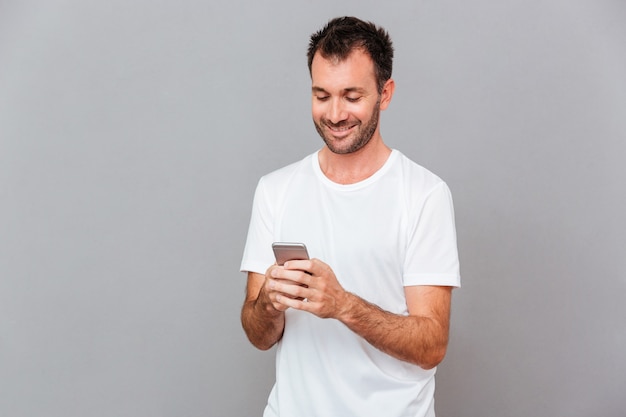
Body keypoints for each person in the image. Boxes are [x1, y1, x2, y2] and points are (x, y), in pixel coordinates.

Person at [240, 16, 460, 417]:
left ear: (385, 93)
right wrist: (268, 305)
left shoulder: (424, 196)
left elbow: (432, 345)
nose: (335, 114)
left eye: (352, 96)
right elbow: (258, 336)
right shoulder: (275, 190)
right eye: (322, 95)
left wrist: (343, 305)